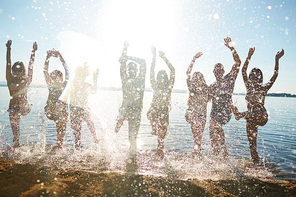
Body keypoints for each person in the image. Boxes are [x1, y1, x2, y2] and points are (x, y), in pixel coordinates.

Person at [230, 47, 284, 164]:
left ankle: (238, 114)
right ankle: (256, 164)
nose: (255, 78)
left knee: (250, 113)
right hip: (250, 117)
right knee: (252, 145)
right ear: (250, 78)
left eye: (257, 76)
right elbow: (243, 71)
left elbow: (275, 75)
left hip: (261, 116)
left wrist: (277, 59)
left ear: (260, 78)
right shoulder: (248, 87)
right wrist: (248, 56)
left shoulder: (264, 88)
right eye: (252, 76)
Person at [209, 37, 241, 159]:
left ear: (223, 71)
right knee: (212, 138)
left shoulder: (229, 79)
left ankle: (224, 151)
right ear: (213, 71)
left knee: (215, 124)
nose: (218, 72)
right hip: (214, 114)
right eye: (216, 70)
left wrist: (231, 47)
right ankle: (219, 163)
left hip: (225, 112)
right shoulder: (212, 86)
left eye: (220, 70)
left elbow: (238, 63)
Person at [114, 41, 146, 155]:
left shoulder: (140, 79)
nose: (131, 70)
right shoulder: (124, 79)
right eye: (130, 68)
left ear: (137, 70)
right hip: (125, 108)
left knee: (132, 135)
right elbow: (122, 64)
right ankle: (119, 121)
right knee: (116, 128)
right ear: (128, 70)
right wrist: (125, 48)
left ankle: (132, 152)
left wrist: (127, 56)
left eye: (133, 68)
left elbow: (143, 62)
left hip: (137, 109)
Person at [6, 40, 38, 148]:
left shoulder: (26, 80)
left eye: (20, 70)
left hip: (25, 106)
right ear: (12, 71)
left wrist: (33, 52)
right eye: (15, 70)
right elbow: (8, 63)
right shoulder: (10, 79)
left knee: (22, 98)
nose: (17, 72)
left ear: (23, 71)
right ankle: (16, 148)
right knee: (16, 135)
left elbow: (30, 67)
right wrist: (8, 49)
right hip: (13, 108)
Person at [147, 46, 175, 159]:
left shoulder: (169, 87)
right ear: (158, 78)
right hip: (154, 107)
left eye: (164, 76)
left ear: (167, 78)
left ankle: (160, 148)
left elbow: (172, 70)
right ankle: (153, 127)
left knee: (162, 133)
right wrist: (154, 57)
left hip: (164, 110)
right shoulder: (155, 85)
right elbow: (151, 71)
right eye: (160, 76)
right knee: (152, 112)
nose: (162, 78)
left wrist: (164, 58)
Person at [68, 62, 99, 149]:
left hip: (83, 107)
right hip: (74, 108)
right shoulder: (73, 83)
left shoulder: (86, 85)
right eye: (77, 74)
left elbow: (93, 91)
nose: (78, 76)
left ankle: (95, 138)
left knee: (89, 122)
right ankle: (78, 145)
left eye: (79, 74)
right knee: (77, 129)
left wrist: (95, 79)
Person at [185, 52, 210, 157]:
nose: (197, 81)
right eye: (195, 79)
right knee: (196, 125)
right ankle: (196, 152)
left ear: (202, 80)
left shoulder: (207, 91)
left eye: (199, 78)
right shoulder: (192, 89)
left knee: (198, 137)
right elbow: (187, 74)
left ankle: (197, 152)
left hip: (202, 116)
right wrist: (193, 59)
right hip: (191, 114)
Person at [43, 49, 69, 149]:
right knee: (60, 119)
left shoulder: (64, 86)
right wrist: (47, 58)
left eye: (58, 77)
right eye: (54, 77)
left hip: (61, 111)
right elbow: (45, 71)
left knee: (62, 122)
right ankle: (59, 144)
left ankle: (59, 144)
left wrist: (60, 57)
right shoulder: (50, 85)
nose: (56, 79)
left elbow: (67, 71)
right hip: (50, 110)